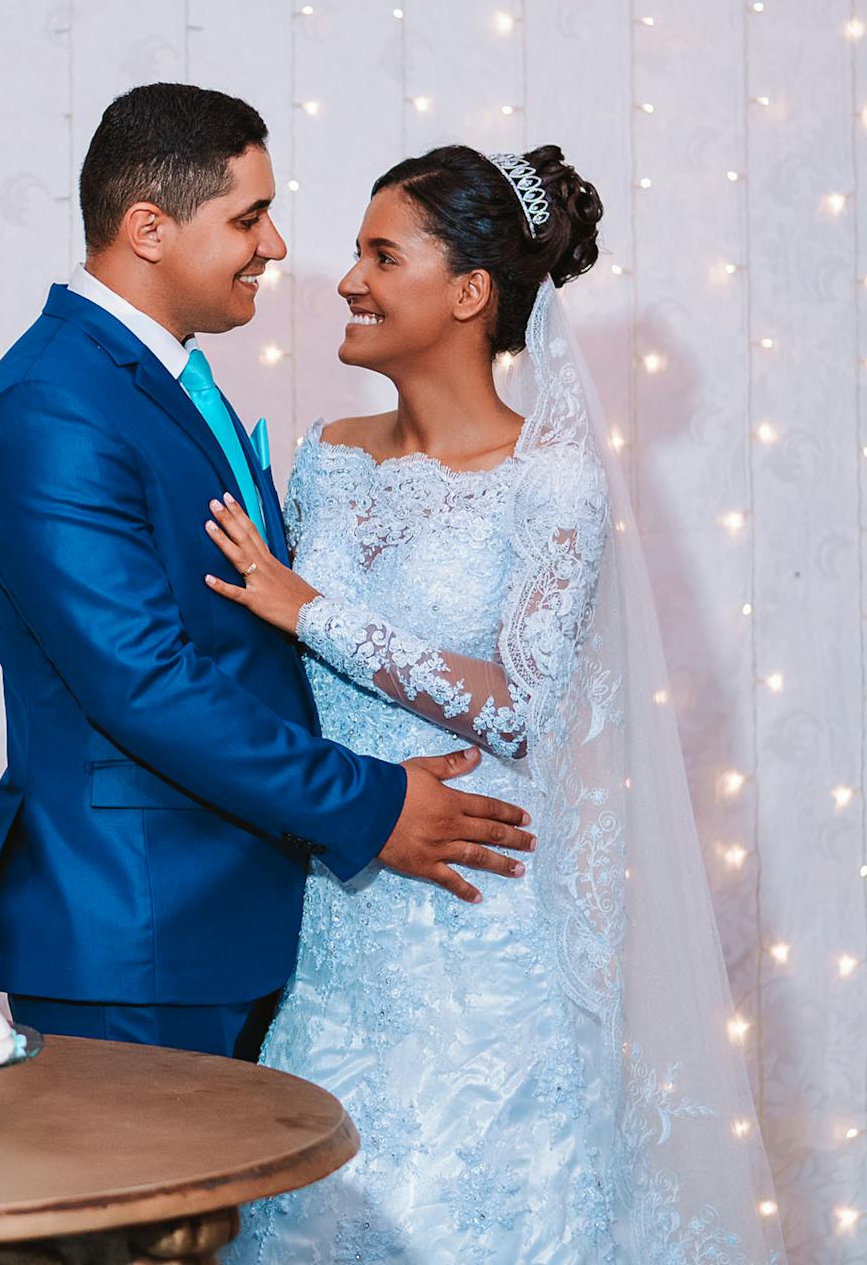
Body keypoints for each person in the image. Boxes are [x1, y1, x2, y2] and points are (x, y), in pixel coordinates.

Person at [208, 144, 782, 1261]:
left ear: (471, 293)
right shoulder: (326, 459)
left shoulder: (550, 480)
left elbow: (522, 704)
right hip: (341, 912)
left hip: (480, 926)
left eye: (383, 254)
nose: (347, 278)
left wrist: (312, 608)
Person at [0, 83, 533, 1065]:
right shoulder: (54, 407)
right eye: (249, 217)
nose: (275, 246)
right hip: (136, 930)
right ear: (148, 229)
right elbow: (145, 682)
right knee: (140, 1223)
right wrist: (375, 803)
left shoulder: (159, 379)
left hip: (230, 914)